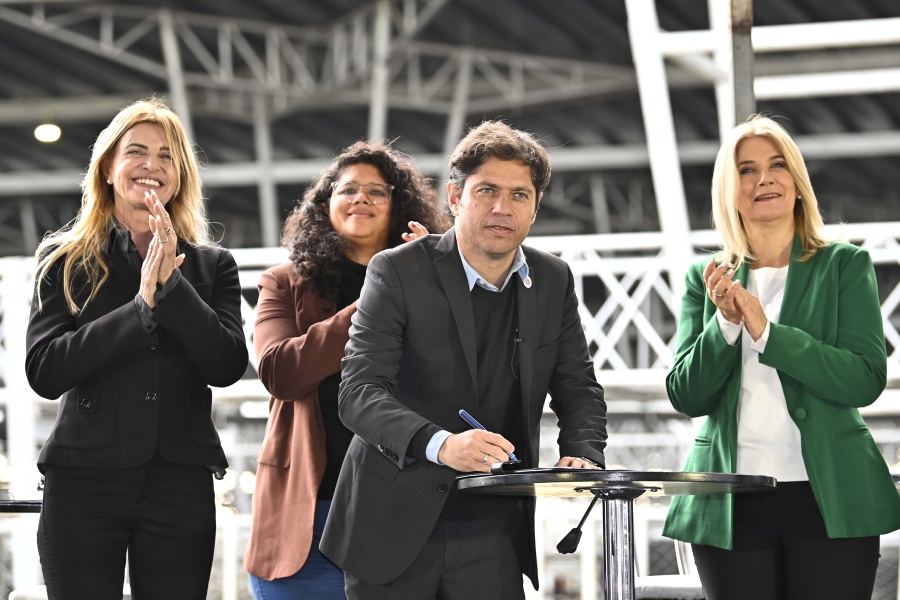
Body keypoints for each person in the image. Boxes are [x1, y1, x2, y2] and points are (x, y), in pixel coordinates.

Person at [320, 121, 608, 599]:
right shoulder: (397, 270)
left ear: (535, 207)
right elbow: (358, 393)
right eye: (487, 190)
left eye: (520, 195)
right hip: (393, 520)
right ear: (454, 197)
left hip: (494, 524)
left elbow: (578, 384)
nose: (502, 207)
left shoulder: (553, 279)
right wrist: (441, 444)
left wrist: (583, 450)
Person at [662, 114, 900, 600]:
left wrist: (769, 334)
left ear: (796, 181)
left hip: (830, 496)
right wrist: (726, 323)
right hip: (730, 501)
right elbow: (687, 395)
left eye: (777, 165)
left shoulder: (845, 265)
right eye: (746, 170)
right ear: (729, 191)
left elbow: (864, 379)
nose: (764, 178)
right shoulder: (705, 278)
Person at [25, 98, 249, 600]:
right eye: (137, 151)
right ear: (108, 168)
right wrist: (140, 308)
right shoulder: (63, 260)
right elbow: (44, 370)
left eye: (167, 156)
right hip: (82, 483)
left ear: (180, 175)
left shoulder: (212, 265)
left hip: (180, 483)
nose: (153, 165)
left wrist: (173, 287)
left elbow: (227, 365)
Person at [243, 140, 452, 599]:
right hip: (306, 514)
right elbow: (280, 372)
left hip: (400, 511)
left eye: (378, 191)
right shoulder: (283, 282)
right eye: (349, 189)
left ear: (398, 207)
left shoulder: (431, 281)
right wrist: (381, 294)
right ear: (325, 205)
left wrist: (441, 284)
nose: (362, 198)